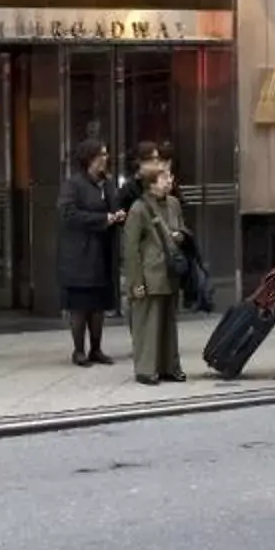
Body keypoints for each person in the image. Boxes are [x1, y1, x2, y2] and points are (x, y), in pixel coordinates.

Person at [122, 160, 188, 385]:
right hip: (150, 274)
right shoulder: (138, 208)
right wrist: (135, 282)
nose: (170, 181)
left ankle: (170, 366)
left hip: (170, 271)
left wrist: (180, 235)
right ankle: (146, 369)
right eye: (165, 177)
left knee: (169, 323)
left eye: (170, 176)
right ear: (151, 183)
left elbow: (181, 228)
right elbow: (130, 249)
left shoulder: (174, 204)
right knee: (147, 324)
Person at [58, 139, 123, 367]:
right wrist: (102, 219)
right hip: (80, 252)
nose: (105, 159)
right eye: (101, 155)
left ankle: (97, 348)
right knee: (80, 304)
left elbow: (115, 206)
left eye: (106, 154)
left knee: (99, 303)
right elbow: (68, 214)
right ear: (89, 159)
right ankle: (79, 350)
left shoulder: (108, 184)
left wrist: (117, 215)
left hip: (103, 250)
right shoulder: (74, 185)